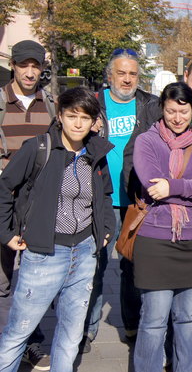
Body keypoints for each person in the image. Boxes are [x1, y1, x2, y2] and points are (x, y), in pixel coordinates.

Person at [0, 86, 114, 372]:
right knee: (18, 332)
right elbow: (4, 187)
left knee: (70, 335)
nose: (78, 123)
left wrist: (106, 229)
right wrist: (6, 234)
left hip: (85, 252)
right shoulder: (38, 147)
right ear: (60, 116)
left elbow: (106, 195)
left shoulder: (96, 153)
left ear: (93, 122)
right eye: (72, 115)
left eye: (85, 117)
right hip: (44, 254)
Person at [131, 82, 192, 372]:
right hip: (154, 238)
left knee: (187, 316)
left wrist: (173, 186)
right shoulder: (146, 141)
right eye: (171, 111)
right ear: (161, 109)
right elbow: (152, 185)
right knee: (153, 319)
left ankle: (185, 367)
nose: (177, 118)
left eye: (184, 111)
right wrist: (185, 188)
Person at [83, 48, 158, 352]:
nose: (127, 79)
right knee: (94, 266)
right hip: (99, 196)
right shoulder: (93, 103)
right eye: (121, 73)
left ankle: (132, 325)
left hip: (135, 198)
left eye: (132, 74)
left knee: (132, 266)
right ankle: (85, 329)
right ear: (109, 75)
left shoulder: (149, 104)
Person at [0, 39, 56, 370]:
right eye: (25, 66)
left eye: (36, 66)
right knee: (4, 280)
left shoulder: (48, 103)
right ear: (14, 67)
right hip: (5, 201)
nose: (31, 72)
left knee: (34, 281)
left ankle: (30, 343)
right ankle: (8, 344)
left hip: (37, 203)